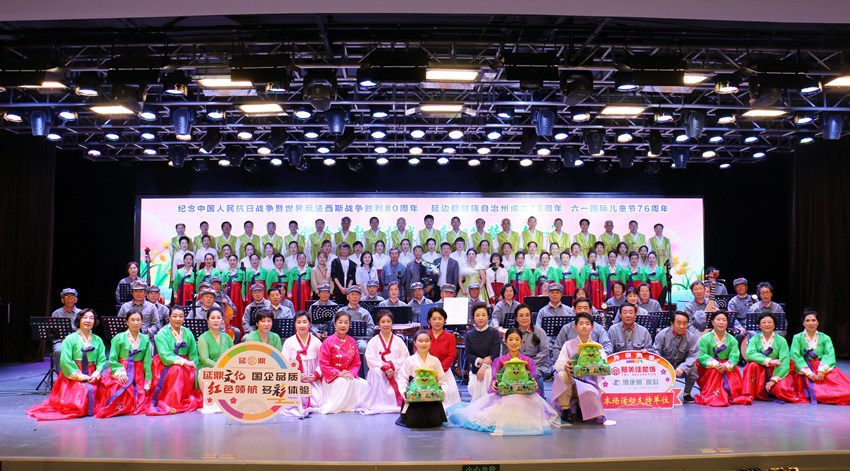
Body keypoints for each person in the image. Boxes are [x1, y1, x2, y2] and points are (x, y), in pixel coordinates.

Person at [448, 327, 560, 435]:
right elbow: (495, 380)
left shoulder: (528, 361)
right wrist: (495, 385)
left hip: (524, 395)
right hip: (505, 395)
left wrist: (533, 385)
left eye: (517, 339)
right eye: (510, 339)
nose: (514, 342)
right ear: (505, 341)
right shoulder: (499, 361)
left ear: (522, 342)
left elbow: (531, 379)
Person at [27, 309, 107, 421]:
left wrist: (97, 372)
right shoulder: (70, 339)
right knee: (81, 394)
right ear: (79, 320)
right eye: (85, 317)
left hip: (92, 372)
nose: (88, 320)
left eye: (91, 318)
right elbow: (65, 360)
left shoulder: (97, 340)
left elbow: (102, 359)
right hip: (74, 373)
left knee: (106, 394)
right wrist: (79, 376)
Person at [551, 311, 616, 425]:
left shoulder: (598, 346)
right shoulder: (568, 344)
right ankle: (566, 410)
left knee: (588, 391)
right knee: (561, 375)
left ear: (592, 327)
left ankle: (585, 411)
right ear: (575, 327)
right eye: (581, 323)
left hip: (590, 382)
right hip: (571, 382)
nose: (584, 326)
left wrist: (595, 369)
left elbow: (604, 365)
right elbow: (558, 364)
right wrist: (565, 366)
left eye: (587, 324)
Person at [97, 309, 152, 418]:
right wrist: (120, 372)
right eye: (132, 320)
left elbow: (147, 361)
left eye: (138, 320)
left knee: (143, 394)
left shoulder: (145, 339)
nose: (135, 323)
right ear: (127, 322)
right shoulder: (118, 338)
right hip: (122, 369)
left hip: (138, 372)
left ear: (142, 322)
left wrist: (148, 380)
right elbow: (112, 359)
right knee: (121, 389)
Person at [147, 307, 202, 415]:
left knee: (187, 371)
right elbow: (165, 355)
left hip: (186, 362)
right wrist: (185, 362)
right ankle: (172, 402)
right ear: (169, 317)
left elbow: (193, 354)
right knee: (177, 370)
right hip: (166, 363)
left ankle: (181, 398)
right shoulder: (162, 333)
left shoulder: (188, 333)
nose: (178, 319)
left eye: (181, 316)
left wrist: (195, 368)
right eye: (174, 316)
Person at [789, 309, 850, 405]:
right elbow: (795, 356)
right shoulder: (797, 338)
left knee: (842, 389)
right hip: (803, 368)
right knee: (819, 393)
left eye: (813, 320)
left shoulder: (825, 338)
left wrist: (822, 371)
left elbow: (829, 354)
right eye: (807, 320)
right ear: (803, 323)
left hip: (822, 366)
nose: (811, 323)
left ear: (818, 322)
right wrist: (809, 373)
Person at [742, 312, 805, 403]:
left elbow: (784, 361)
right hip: (759, 370)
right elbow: (750, 354)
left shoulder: (781, 340)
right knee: (751, 365)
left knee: (782, 390)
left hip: (776, 370)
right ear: (759, 326)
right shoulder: (754, 339)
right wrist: (769, 361)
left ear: (774, 325)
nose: (767, 325)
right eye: (764, 322)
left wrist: (774, 380)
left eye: (770, 322)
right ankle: (748, 393)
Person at [694, 311, 752, 407]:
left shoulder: (732, 339)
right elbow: (701, 355)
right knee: (714, 372)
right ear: (713, 322)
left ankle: (727, 394)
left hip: (727, 365)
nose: (721, 322)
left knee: (732, 380)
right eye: (718, 320)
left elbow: (735, 356)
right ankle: (715, 395)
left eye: (724, 320)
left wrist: (725, 365)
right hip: (710, 366)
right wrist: (716, 364)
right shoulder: (705, 338)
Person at [357, 310, 409, 414]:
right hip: (379, 373)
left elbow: (405, 358)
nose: (386, 324)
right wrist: (384, 367)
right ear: (378, 324)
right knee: (377, 372)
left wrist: (392, 366)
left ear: (392, 323)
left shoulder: (399, 340)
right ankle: (379, 402)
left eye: (388, 321)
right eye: (383, 322)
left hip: (396, 372)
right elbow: (370, 359)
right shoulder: (373, 341)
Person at [396, 329, 449, 428]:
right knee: (415, 422)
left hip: (432, 396)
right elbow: (402, 378)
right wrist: (404, 393)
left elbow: (442, 379)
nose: (424, 343)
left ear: (431, 342)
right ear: (415, 343)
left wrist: (442, 391)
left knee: (435, 421)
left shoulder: (435, 360)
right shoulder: (409, 360)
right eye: (420, 341)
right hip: (415, 396)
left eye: (426, 341)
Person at [317, 312, 369, 414]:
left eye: (346, 322)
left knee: (365, 384)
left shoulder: (352, 341)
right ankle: (342, 406)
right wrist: (338, 373)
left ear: (349, 325)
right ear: (335, 324)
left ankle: (350, 406)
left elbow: (356, 362)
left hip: (348, 374)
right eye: (340, 322)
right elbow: (324, 364)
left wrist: (350, 373)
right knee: (344, 382)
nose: (343, 325)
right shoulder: (327, 342)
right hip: (332, 377)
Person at [281, 312, 325, 416]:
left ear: (309, 324)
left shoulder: (317, 342)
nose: (302, 325)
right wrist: (297, 376)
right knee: (291, 401)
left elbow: (322, 362)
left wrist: (315, 375)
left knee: (318, 401)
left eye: (305, 322)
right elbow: (284, 363)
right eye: (299, 322)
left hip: (312, 379)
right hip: (294, 379)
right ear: (294, 324)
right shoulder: (289, 342)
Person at [654, 311, 699, 404]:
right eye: (678, 323)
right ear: (672, 323)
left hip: (682, 366)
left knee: (694, 366)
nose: (682, 326)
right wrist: (664, 367)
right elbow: (656, 352)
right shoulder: (662, 334)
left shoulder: (692, 337)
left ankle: (687, 393)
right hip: (664, 366)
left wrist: (682, 368)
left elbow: (693, 355)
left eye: (685, 323)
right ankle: (662, 391)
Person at [196, 307, 234, 413]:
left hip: (226, 370)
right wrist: (220, 366)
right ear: (208, 320)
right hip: (209, 369)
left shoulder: (227, 337)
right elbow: (204, 359)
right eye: (213, 318)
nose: (216, 320)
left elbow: (233, 354)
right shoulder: (203, 338)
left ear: (222, 320)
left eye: (218, 318)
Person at [464, 304, 502, 402]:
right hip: (475, 368)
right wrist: (481, 361)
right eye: (477, 315)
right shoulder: (469, 334)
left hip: (491, 368)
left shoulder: (493, 332)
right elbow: (468, 355)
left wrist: (484, 367)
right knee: (473, 387)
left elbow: (495, 354)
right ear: (473, 317)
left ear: (488, 317)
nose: (480, 318)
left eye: (483, 315)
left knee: (487, 375)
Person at [426, 307, 461, 407]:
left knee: (450, 393)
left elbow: (451, 356)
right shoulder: (424, 335)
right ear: (429, 320)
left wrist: (439, 371)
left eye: (440, 318)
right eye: (434, 319)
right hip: (426, 372)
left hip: (444, 371)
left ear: (444, 320)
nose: (437, 321)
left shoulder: (450, 337)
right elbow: (418, 353)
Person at [336, 286, 374, 354]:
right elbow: (334, 325)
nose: (354, 297)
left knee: (363, 346)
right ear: (347, 297)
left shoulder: (365, 312)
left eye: (357, 295)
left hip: (360, 340)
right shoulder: (341, 311)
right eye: (352, 294)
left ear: (360, 297)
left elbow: (371, 328)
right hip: (342, 338)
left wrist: (361, 333)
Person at [50, 288, 81, 368]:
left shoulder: (81, 313)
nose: (69, 298)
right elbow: (53, 331)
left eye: (72, 296)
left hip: (77, 340)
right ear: (62, 300)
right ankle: (60, 374)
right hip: (61, 340)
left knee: (85, 350)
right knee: (58, 351)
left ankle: (80, 373)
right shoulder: (56, 313)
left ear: (76, 300)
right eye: (67, 296)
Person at [221, 254, 247, 328]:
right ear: (228, 261)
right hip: (228, 293)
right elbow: (222, 284)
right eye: (230, 260)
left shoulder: (241, 272)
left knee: (238, 310)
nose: (232, 262)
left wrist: (243, 295)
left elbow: (244, 284)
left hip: (238, 293)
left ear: (237, 261)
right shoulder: (225, 272)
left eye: (234, 260)